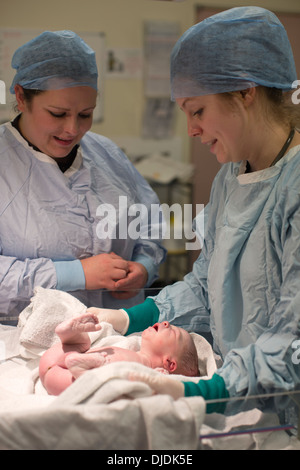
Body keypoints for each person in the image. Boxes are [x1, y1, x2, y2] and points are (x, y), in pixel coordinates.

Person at [90, 6, 300, 417]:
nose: (190, 130)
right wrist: (125, 320)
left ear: (245, 91)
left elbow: (293, 342)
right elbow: (207, 286)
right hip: (238, 399)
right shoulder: (230, 178)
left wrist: (204, 393)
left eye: (197, 110)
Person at [0, 30, 165, 325]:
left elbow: (150, 222)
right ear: (21, 97)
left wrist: (144, 267)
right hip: (25, 347)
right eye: (58, 113)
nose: (72, 130)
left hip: (116, 333)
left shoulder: (106, 154)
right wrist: (76, 274)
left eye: (85, 114)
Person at [39, 311, 199, 396]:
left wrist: (159, 376)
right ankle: (70, 337)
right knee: (83, 345)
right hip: (61, 361)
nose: (166, 323)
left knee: (97, 382)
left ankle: (83, 366)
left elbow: (152, 387)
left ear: (169, 364)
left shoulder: (151, 373)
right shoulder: (131, 349)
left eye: (174, 333)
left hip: (64, 379)